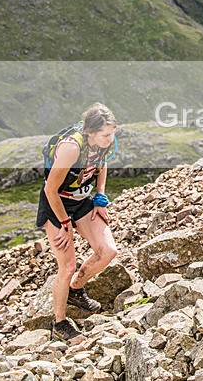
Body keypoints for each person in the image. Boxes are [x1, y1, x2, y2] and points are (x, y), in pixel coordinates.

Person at [37, 103, 119, 342]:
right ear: (90, 132)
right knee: (67, 265)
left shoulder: (105, 143)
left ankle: (76, 290)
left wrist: (100, 197)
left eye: (113, 133)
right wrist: (65, 224)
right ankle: (60, 323)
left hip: (81, 200)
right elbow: (50, 189)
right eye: (105, 135)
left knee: (108, 251)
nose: (110, 138)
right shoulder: (71, 149)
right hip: (56, 204)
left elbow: (101, 164)